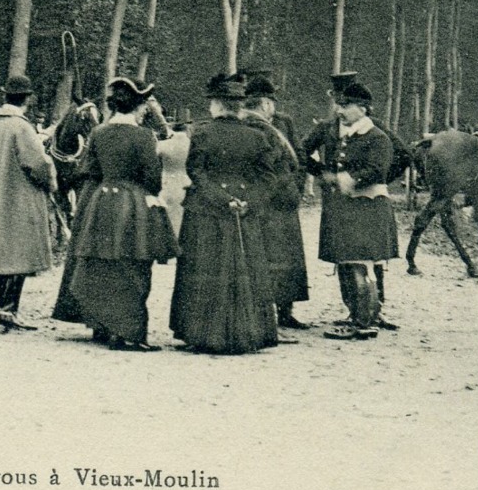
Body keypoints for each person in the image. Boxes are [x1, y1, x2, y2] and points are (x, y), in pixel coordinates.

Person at [169, 74, 282, 355]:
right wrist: (247, 202)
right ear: (240, 106)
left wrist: (222, 199)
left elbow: (196, 172)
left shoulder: (202, 134)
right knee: (246, 269)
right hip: (244, 213)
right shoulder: (258, 137)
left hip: (207, 212)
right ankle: (250, 332)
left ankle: (201, 332)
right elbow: (268, 178)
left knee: (204, 269)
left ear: (217, 105)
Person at [69, 77, 177, 351]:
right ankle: (129, 333)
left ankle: (104, 326)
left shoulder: (99, 133)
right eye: (143, 105)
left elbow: (89, 170)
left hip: (101, 202)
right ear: (139, 106)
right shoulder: (143, 136)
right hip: (133, 204)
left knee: (104, 265)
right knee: (135, 266)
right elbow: (153, 179)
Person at [0, 74, 58, 330]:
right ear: (28, 99)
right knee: (17, 256)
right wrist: (50, 183)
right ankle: (9, 312)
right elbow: (37, 164)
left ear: (5, 95)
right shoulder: (22, 127)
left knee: (2, 257)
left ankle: (4, 311)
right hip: (20, 198)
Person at [315, 80, 400, 341]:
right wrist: (326, 175)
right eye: (339, 105)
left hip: (368, 206)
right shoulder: (347, 134)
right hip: (349, 207)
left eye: (345, 106)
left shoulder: (377, 137)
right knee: (349, 261)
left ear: (362, 108)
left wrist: (345, 179)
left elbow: (378, 170)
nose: (339, 111)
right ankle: (360, 316)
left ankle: (364, 321)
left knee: (361, 263)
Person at [240, 73, 312, 330]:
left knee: (287, 258)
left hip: (283, 202)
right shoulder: (244, 123)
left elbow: (300, 157)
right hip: (260, 201)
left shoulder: (284, 123)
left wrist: (297, 188)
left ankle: (286, 310)